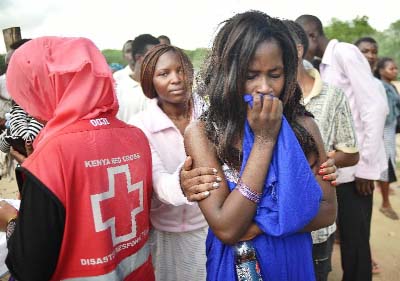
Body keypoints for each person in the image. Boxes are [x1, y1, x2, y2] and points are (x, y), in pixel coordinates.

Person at [184, 11, 336, 280]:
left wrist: (259, 225)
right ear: (226, 73)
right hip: (236, 265)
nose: (264, 87)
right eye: (250, 75)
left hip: (291, 260)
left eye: (274, 74)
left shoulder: (304, 127)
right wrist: (264, 140)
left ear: (288, 74)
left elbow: (326, 210)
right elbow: (228, 228)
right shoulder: (204, 133)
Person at [0, 37, 154, 281]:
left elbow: (28, 266)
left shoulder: (53, 155)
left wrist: (10, 219)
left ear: (49, 88)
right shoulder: (137, 137)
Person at [296, 15, 388, 281]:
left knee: (356, 241)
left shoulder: (345, 53)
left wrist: (367, 169)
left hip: (355, 170)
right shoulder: (320, 65)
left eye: (301, 42)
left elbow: (374, 106)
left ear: (311, 37)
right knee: (343, 237)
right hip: (338, 171)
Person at [284, 20, 359, 281]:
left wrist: (327, 161)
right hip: (277, 226)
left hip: (318, 225)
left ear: (298, 49)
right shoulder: (267, 97)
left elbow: (351, 152)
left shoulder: (333, 96)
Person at [131, 44, 208, 280]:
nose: (176, 79)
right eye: (164, 74)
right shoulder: (141, 125)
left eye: (181, 70)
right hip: (166, 234)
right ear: (149, 82)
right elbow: (157, 181)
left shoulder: (212, 116)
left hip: (210, 228)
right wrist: (181, 185)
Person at [374, 57, 400, 220]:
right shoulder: (381, 87)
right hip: (383, 129)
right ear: (381, 70)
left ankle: (385, 192)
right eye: (391, 68)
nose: (395, 71)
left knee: (388, 160)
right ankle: (385, 203)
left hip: (390, 129)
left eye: (396, 68)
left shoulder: (390, 86)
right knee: (386, 163)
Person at [115, 34, 160, 122]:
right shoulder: (117, 90)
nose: (160, 60)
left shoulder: (161, 89)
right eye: (154, 56)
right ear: (139, 58)